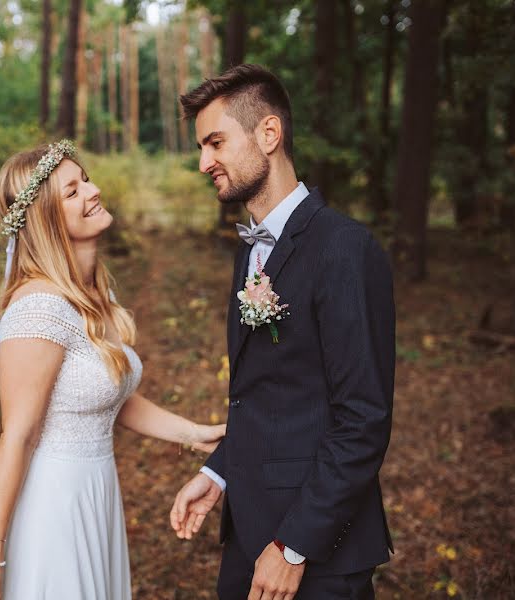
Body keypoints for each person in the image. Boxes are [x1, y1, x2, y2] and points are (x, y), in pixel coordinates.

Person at [0, 140, 226, 600]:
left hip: (94, 492)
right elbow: (17, 436)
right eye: (72, 190)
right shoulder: (39, 308)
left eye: (85, 178)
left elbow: (110, 399)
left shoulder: (88, 296)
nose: (94, 189)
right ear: (46, 219)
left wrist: (193, 433)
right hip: (50, 504)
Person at [169, 64, 395, 600]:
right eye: (202, 147)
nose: (205, 163)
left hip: (315, 551)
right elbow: (270, 394)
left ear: (269, 134)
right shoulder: (251, 248)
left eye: (215, 142)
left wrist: (293, 547)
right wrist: (219, 474)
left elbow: (363, 419)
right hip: (247, 534)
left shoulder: (344, 249)